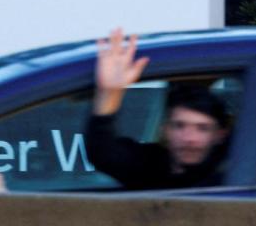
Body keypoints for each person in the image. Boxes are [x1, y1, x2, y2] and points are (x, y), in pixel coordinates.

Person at [85, 28, 230, 190]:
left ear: (220, 135)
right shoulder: (151, 165)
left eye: (202, 129)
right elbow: (103, 153)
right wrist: (110, 92)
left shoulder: (233, 173)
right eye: (179, 126)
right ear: (165, 129)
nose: (189, 138)